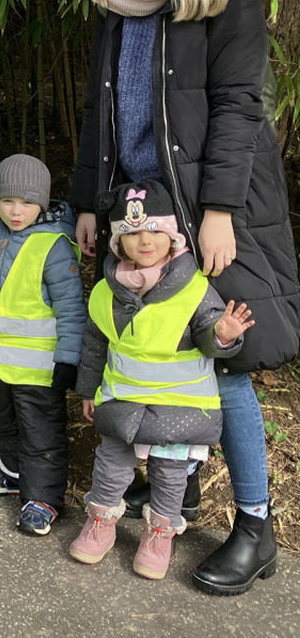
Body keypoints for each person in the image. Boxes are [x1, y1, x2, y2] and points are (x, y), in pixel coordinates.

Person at [70, 0, 300, 594]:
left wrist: (220, 212)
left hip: (206, 202)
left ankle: (257, 526)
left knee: (221, 357)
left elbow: (239, 106)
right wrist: (85, 198)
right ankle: (181, 491)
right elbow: (100, 115)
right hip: (137, 206)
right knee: (150, 340)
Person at [70, 181, 254, 580]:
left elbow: (209, 336)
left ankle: (159, 534)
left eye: (155, 230)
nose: (145, 240)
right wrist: (88, 389)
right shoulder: (105, 292)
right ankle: (100, 522)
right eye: (132, 233)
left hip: (179, 405)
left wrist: (223, 333)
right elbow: (94, 344)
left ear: (172, 237)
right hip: (123, 398)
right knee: (111, 464)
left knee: (170, 473)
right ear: (118, 244)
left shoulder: (193, 286)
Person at [0, 154, 86, 536]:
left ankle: (43, 498)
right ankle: (12, 473)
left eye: (27, 202)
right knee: (4, 422)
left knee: (41, 433)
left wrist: (69, 360)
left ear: (43, 202)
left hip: (39, 367)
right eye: (7, 201)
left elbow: (72, 308)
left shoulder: (53, 246)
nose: (16, 211)